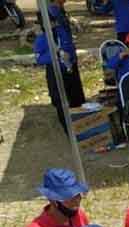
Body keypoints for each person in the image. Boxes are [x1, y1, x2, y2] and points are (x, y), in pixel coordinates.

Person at [33, 1, 85, 134]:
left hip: (69, 67)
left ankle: (82, 124)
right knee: (61, 101)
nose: (53, 24)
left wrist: (72, 59)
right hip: (56, 71)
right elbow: (39, 58)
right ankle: (69, 130)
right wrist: (55, 55)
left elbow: (69, 45)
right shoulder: (42, 38)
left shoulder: (61, 30)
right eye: (51, 22)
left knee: (76, 98)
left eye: (54, 21)